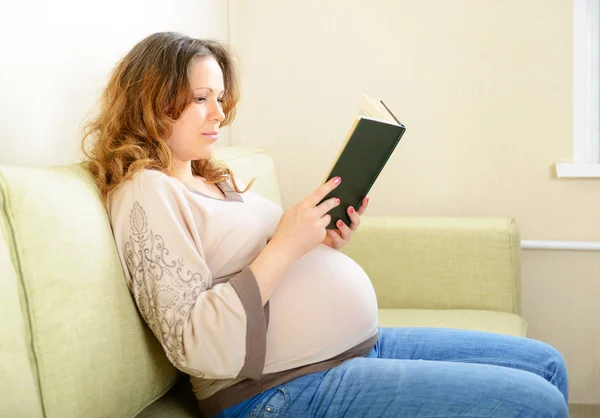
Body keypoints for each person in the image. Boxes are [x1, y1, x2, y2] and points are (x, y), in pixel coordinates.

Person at [81, 31, 569, 418]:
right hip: (281, 390)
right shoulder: (145, 193)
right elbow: (196, 345)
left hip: (351, 351)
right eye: (202, 98)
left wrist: (322, 243)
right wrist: (288, 246)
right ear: (152, 100)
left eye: (222, 98)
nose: (220, 114)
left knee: (547, 364)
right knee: (538, 403)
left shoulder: (210, 178)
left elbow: (265, 270)